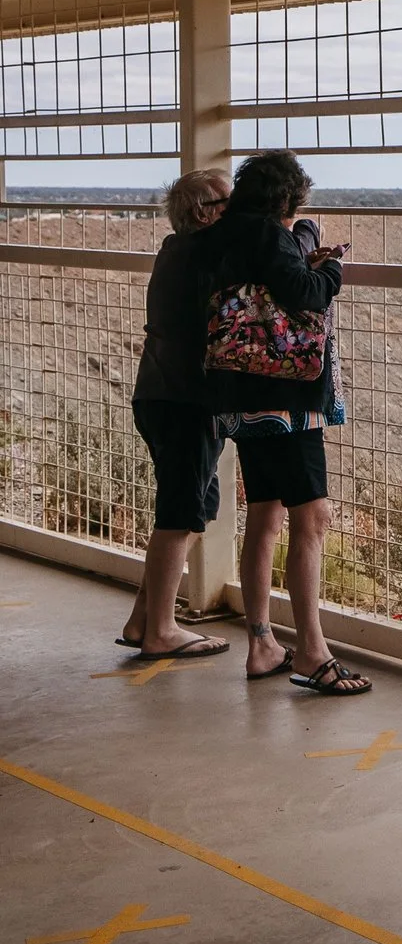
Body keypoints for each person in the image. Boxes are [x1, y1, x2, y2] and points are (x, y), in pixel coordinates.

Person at [196, 150, 366, 696]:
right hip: (285, 397)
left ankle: (262, 644)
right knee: (312, 517)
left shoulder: (224, 235)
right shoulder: (271, 237)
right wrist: (332, 265)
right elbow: (307, 294)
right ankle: (314, 653)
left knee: (265, 515)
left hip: (241, 396)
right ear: (287, 198)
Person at [117, 167, 235, 659]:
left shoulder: (175, 250)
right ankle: (163, 630)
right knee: (179, 513)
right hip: (186, 401)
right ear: (207, 212)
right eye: (231, 201)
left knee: (193, 509)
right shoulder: (207, 257)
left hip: (161, 394)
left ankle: (144, 619)